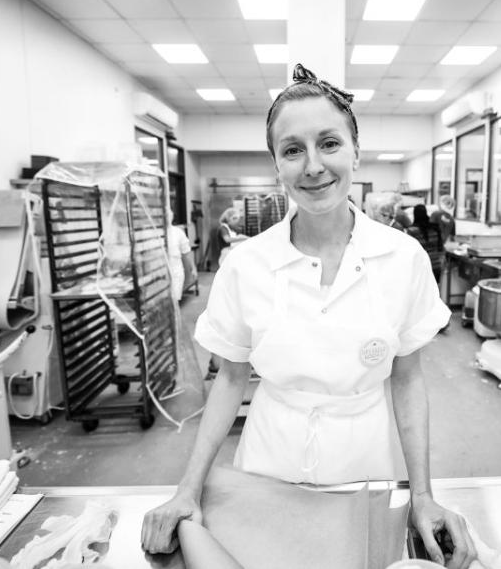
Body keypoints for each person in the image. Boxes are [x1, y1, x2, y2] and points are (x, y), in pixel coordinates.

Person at [141, 64, 477, 569]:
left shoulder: (402, 258)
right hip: (270, 460)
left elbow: (407, 382)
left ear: (356, 152)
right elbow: (231, 380)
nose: (313, 165)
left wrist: (424, 495)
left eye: (329, 143)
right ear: (277, 164)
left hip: (368, 461)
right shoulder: (247, 264)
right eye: (293, 150)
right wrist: (187, 488)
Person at [166, 210, 197, 302]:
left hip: (175, 269)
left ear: (172, 217)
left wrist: (193, 268)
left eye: (169, 215)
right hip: (159, 272)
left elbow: (186, 252)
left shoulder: (178, 232)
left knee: (174, 300)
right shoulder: (153, 232)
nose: (167, 217)